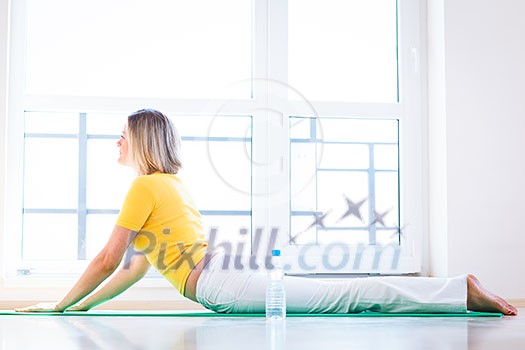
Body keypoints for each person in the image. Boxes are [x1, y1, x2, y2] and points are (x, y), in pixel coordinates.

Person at [16, 109, 518, 316]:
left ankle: (459, 290)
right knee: (338, 294)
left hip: (222, 282)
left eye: (123, 135)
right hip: (225, 277)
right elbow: (134, 266)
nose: (116, 142)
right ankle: (456, 290)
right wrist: (79, 307)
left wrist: (60, 305)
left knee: (342, 296)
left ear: (141, 142)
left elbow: (109, 258)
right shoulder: (166, 185)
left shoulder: (146, 187)